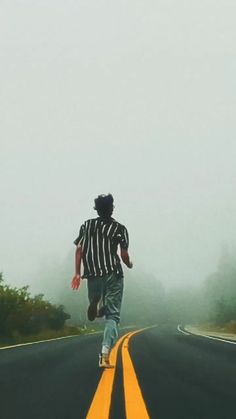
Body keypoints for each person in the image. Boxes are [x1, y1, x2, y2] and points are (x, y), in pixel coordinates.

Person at [71, 194, 133, 368]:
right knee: (112, 315)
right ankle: (105, 352)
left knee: (96, 308)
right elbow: (124, 255)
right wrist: (130, 264)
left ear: (96, 210)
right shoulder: (119, 228)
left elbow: (79, 250)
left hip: (91, 273)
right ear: (112, 208)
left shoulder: (87, 225)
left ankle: (95, 303)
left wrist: (77, 274)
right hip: (113, 273)